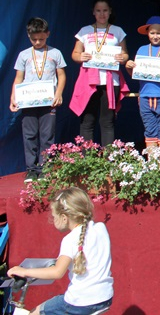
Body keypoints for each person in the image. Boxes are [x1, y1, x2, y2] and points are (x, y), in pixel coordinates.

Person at [8, 187, 113, 315]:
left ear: (64, 218)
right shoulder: (101, 228)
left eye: (54, 217)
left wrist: (24, 271)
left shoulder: (70, 239)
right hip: (104, 297)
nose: (52, 220)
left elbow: (57, 272)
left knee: (36, 312)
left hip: (81, 302)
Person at [9, 18, 67, 182]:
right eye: (34, 39)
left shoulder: (55, 53)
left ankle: (45, 168)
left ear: (48, 34)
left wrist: (59, 93)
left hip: (49, 101)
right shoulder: (24, 55)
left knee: (47, 135)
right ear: (29, 36)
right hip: (28, 102)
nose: (38, 42)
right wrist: (13, 97)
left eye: (41, 39)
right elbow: (18, 78)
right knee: (29, 135)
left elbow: (61, 75)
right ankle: (32, 170)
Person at [69, 0, 129, 146]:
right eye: (98, 11)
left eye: (105, 10)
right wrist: (80, 56)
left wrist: (122, 57)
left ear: (110, 12)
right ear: (93, 12)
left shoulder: (118, 31)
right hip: (89, 81)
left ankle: (108, 159)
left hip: (111, 82)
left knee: (107, 122)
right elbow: (75, 54)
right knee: (87, 121)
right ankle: (88, 158)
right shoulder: (84, 31)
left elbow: (125, 54)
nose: (102, 14)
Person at [125, 16, 160, 152]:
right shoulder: (142, 50)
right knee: (150, 131)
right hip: (145, 95)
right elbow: (134, 74)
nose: (155, 36)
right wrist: (128, 67)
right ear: (147, 33)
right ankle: (152, 163)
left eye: (158, 33)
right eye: (152, 33)